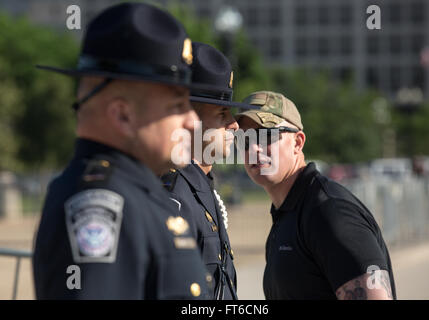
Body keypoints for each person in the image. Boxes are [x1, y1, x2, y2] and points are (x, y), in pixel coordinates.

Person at [32, 3, 211, 299]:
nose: (192, 122)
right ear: (122, 116)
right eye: (177, 106)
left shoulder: (137, 193)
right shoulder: (101, 208)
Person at [235, 91, 396, 300]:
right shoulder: (288, 213)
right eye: (244, 139)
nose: (254, 148)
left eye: (266, 136)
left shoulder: (330, 212)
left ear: (298, 142)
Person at [161, 42, 256, 300]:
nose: (235, 126)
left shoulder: (200, 186)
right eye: (222, 114)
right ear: (191, 120)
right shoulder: (176, 194)